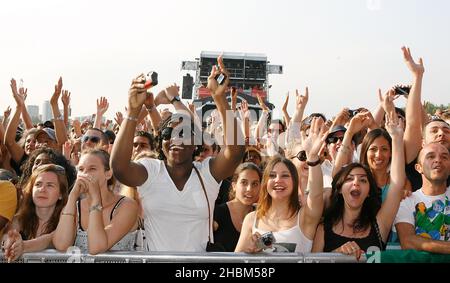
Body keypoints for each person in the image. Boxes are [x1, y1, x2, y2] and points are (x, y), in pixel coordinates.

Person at [111, 56, 245, 252]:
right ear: (160, 142)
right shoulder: (150, 171)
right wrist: (132, 111)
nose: (175, 138)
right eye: (167, 133)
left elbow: (235, 152)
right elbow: (120, 168)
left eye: (183, 133)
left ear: (196, 144)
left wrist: (219, 98)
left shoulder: (207, 174)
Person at [312, 114, 405, 258]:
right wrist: (336, 256)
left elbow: (397, 184)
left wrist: (397, 139)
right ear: (340, 190)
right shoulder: (323, 230)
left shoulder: (380, 225)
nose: (356, 182)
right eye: (349, 179)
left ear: (369, 191)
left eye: (363, 180)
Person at [235, 117, 325, 253]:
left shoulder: (305, 218)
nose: (278, 180)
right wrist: (248, 251)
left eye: (285, 175)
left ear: (294, 182)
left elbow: (316, 195)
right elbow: (235, 262)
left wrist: (312, 157)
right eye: (272, 176)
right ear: (265, 183)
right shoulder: (252, 219)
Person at [53, 149, 138, 254]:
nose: (85, 174)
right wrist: (72, 197)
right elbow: (61, 245)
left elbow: (96, 247)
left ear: (108, 174)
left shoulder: (127, 205)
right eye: (81, 169)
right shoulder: (74, 206)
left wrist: (95, 200)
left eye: (92, 169)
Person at [2, 164, 69, 262]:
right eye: (38, 184)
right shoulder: (19, 218)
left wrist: (24, 246)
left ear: (61, 194)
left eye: (50, 185)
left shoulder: (68, 217)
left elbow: (52, 239)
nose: (42, 189)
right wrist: (10, 242)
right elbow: (8, 235)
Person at [394, 143, 450, 253]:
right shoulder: (407, 201)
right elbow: (408, 241)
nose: (438, 160)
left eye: (444, 157)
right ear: (418, 168)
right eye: (431, 156)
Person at [213, 162, 262, 252]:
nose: (249, 189)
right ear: (234, 185)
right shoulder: (217, 213)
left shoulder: (262, 216)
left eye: (255, 184)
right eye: (244, 182)